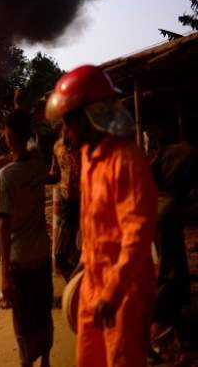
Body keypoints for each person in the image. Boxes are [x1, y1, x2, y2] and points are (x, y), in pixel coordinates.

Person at [45, 65, 157, 367]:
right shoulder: (89, 157)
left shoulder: (125, 159)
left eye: (69, 121)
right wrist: (85, 262)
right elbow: (95, 222)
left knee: (121, 358)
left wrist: (113, 290)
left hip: (124, 287)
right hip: (94, 279)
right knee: (90, 357)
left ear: (89, 116)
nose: (65, 131)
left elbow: (137, 233)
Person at [0, 110, 53, 367]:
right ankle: (46, 360)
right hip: (41, 254)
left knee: (23, 319)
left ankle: (27, 362)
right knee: (43, 311)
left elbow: (4, 226)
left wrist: (5, 274)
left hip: (20, 260)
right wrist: (22, 109)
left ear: (8, 137)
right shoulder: (39, 162)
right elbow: (33, 142)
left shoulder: (6, 176)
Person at [150, 141, 197, 343]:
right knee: (172, 272)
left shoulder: (177, 149)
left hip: (160, 201)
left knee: (174, 269)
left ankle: (179, 330)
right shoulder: (191, 156)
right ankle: (153, 327)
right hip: (167, 206)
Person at [46, 126, 81, 280]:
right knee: (61, 254)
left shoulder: (85, 147)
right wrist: (37, 175)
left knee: (79, 249)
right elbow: (55, 174)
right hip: (67, 202)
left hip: (85, 201)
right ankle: (73, 288)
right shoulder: (58, 148)